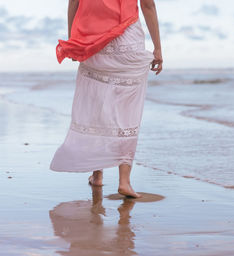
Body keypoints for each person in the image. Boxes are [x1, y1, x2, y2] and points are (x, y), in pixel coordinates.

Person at [50, 0, 163, 198]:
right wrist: (158, 49)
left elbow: (74, 2)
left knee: (97, 102)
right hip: (128, 37)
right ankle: (124, 182)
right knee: (127, 110)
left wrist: (74, 40)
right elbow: (148, 5)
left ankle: (97, 175)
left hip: (93, 38)